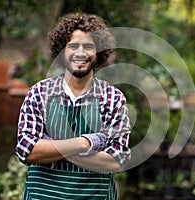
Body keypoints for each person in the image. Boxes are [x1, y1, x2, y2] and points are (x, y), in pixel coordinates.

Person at [15, 13, 131, 199]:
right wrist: (87, 142)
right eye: (73, 46)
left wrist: (52, 146)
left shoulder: (112, 98)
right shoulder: (40, 93)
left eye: (88, 46)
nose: (81, 53)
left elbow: (117, 159)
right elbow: (26, 150)